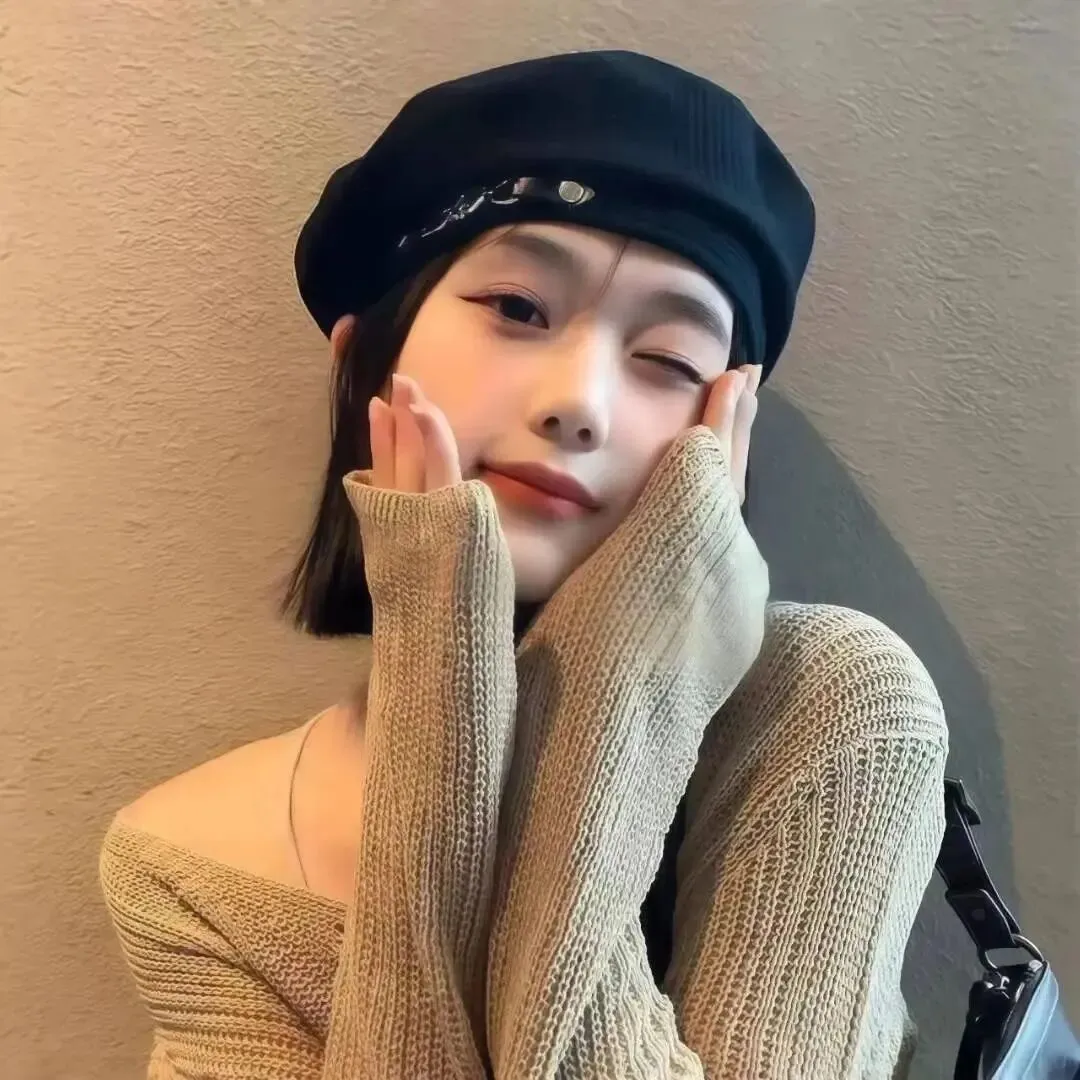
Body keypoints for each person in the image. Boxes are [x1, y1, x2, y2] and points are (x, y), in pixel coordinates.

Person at [99, 50, 949, 1078]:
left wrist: (621, 687)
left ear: (724, 435)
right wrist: (439, 687)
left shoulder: (827, 709)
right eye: (516, 307)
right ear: (362, 361)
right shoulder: (191, 863)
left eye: (669, 359)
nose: (579, 402)